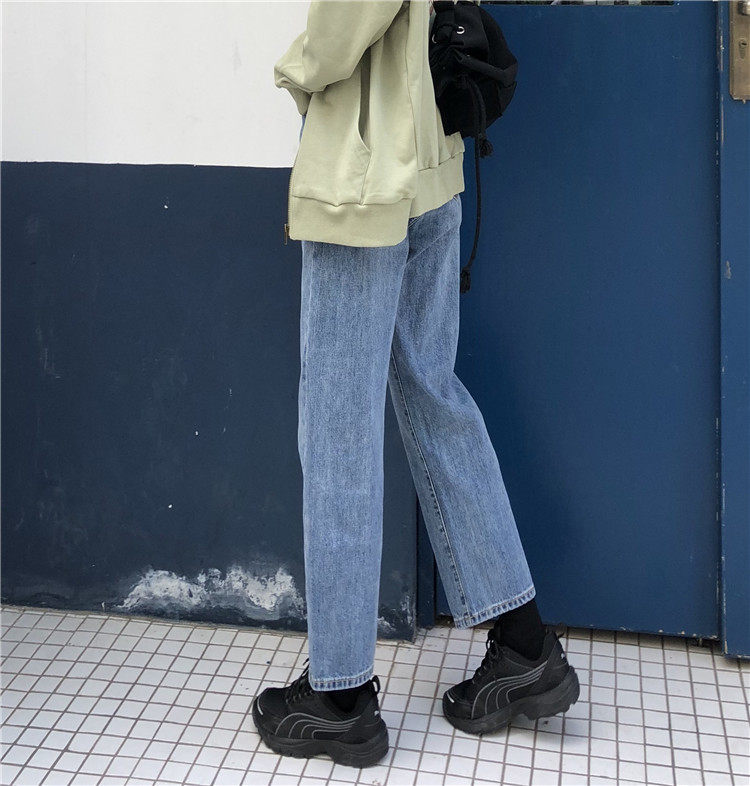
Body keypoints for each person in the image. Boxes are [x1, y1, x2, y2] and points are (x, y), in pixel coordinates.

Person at [252, 0, 579, 768]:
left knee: (338, 424)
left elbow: (346, 22)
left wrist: (299, 71)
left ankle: (339, 696)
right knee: (433, 396)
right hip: (430, 153)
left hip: (366, 166)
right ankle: (524, 643)